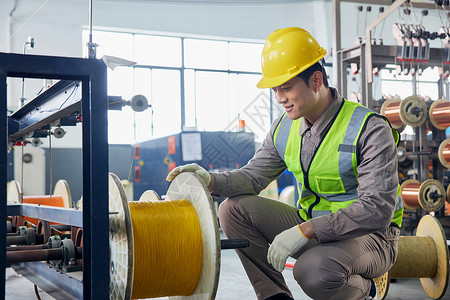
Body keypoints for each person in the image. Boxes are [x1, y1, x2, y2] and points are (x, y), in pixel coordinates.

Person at [167, 27, 403, 300]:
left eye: (286, 87)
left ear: (316, 80)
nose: (279, 98)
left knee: (313, 272)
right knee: (232, 210)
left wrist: (305, 231)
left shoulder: (369, 128)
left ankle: (368, 287)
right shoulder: (283, 129)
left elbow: (376, 210)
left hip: (370, 237)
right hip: (312, 225)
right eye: (275, 89)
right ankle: (274, 296)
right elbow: (253, 177)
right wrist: (211, 180)